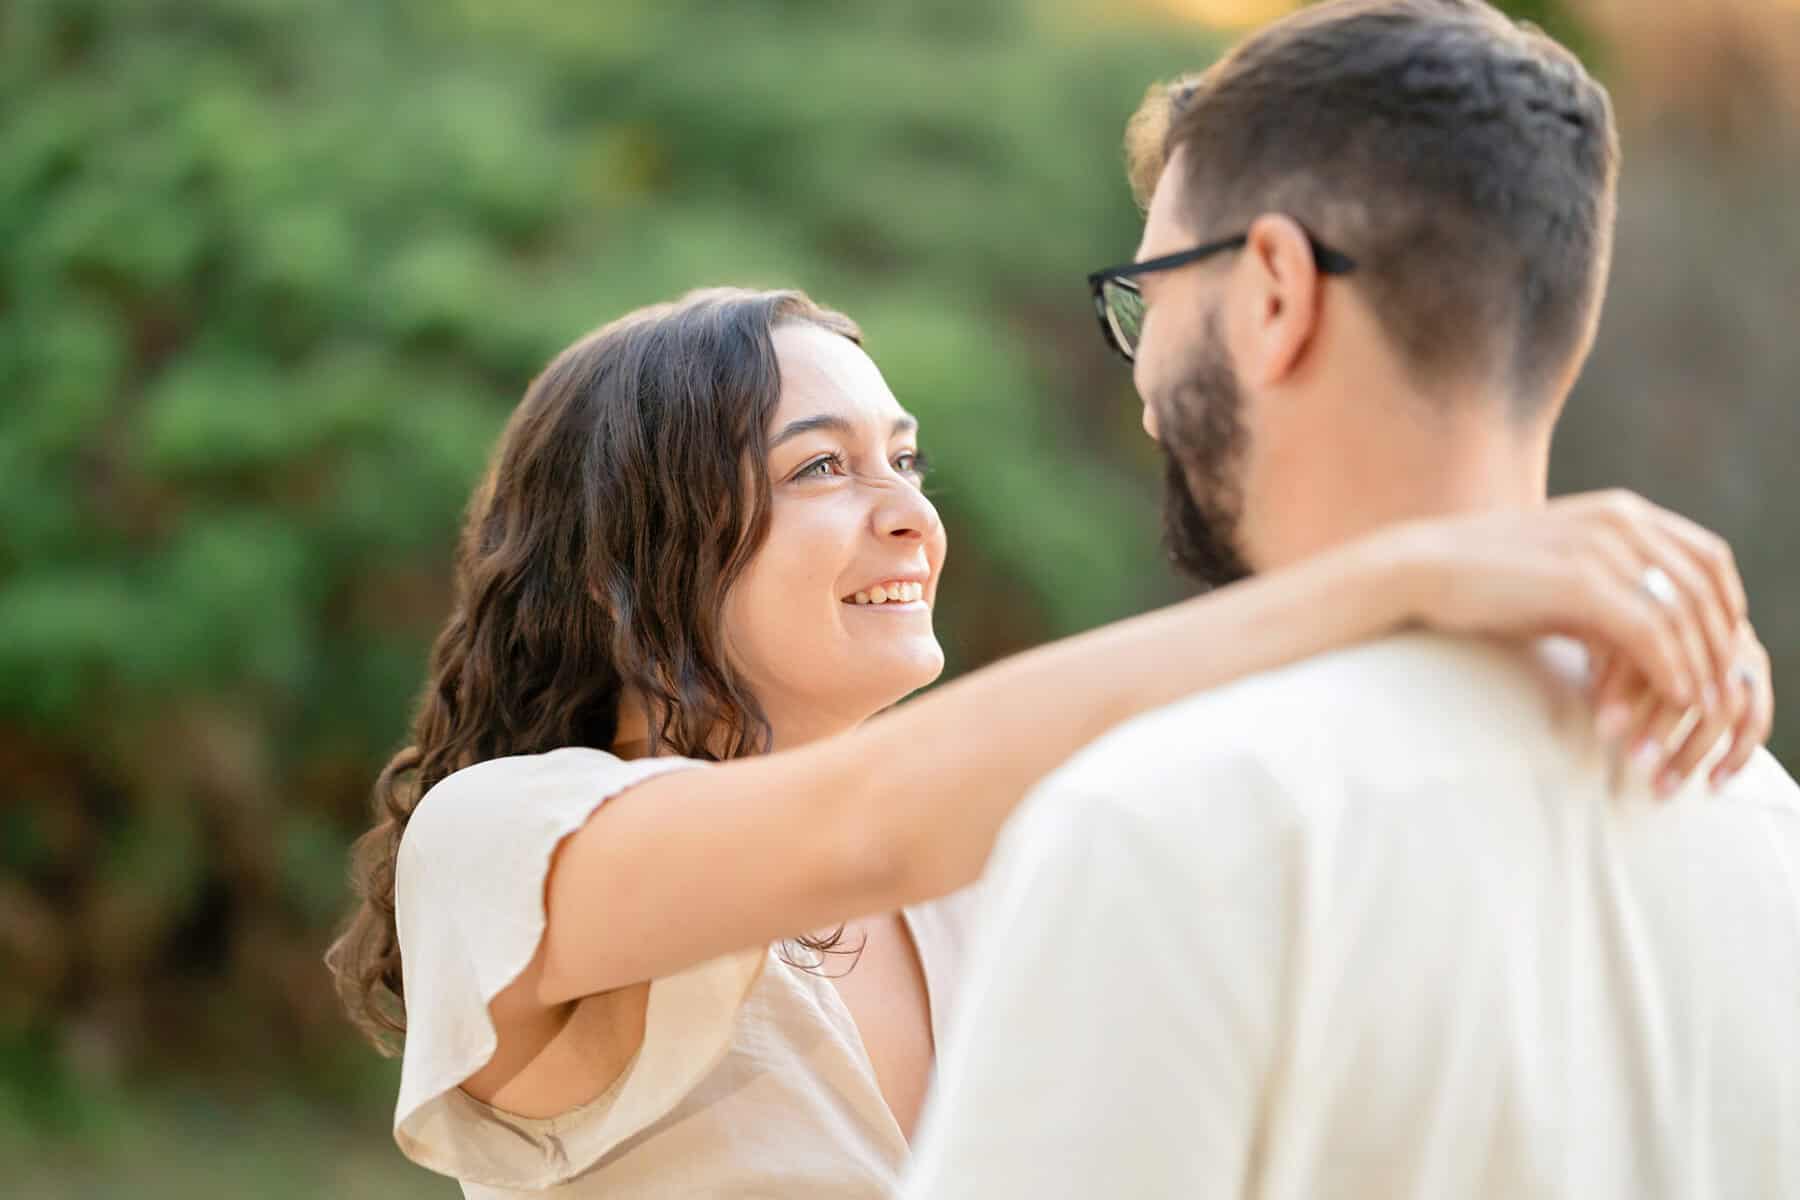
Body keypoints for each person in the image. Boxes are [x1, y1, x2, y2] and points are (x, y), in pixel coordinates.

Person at [325, 280, 1770, 1198]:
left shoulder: (1001, 869)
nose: (908, 513)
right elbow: (857, 821)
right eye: (822, 466)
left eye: (907, 459)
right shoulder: (500, 843)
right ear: (619, 553)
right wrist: (1394, 578)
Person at [903, 3, 1796, 1197]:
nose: (1151, 391)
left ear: (1275, 290)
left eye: (1150, 296)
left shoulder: (1167, 826)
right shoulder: (1758, 819)